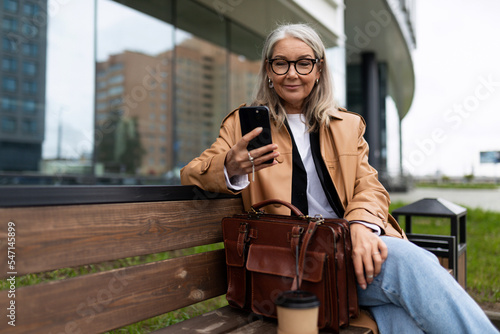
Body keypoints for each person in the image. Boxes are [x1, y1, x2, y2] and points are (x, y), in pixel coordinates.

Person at [181, 23, 498, 333]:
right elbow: (192, 174)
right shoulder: (243, 125)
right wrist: (230, 166)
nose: (292, 73)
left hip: (348, 251)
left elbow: (369, 185)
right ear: (268, 70)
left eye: (304, 63)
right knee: (414, 267)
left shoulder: (346, 125)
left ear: (319, 70)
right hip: (285, 264)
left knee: (404, 318)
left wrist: (361, 224)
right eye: (281, 63)